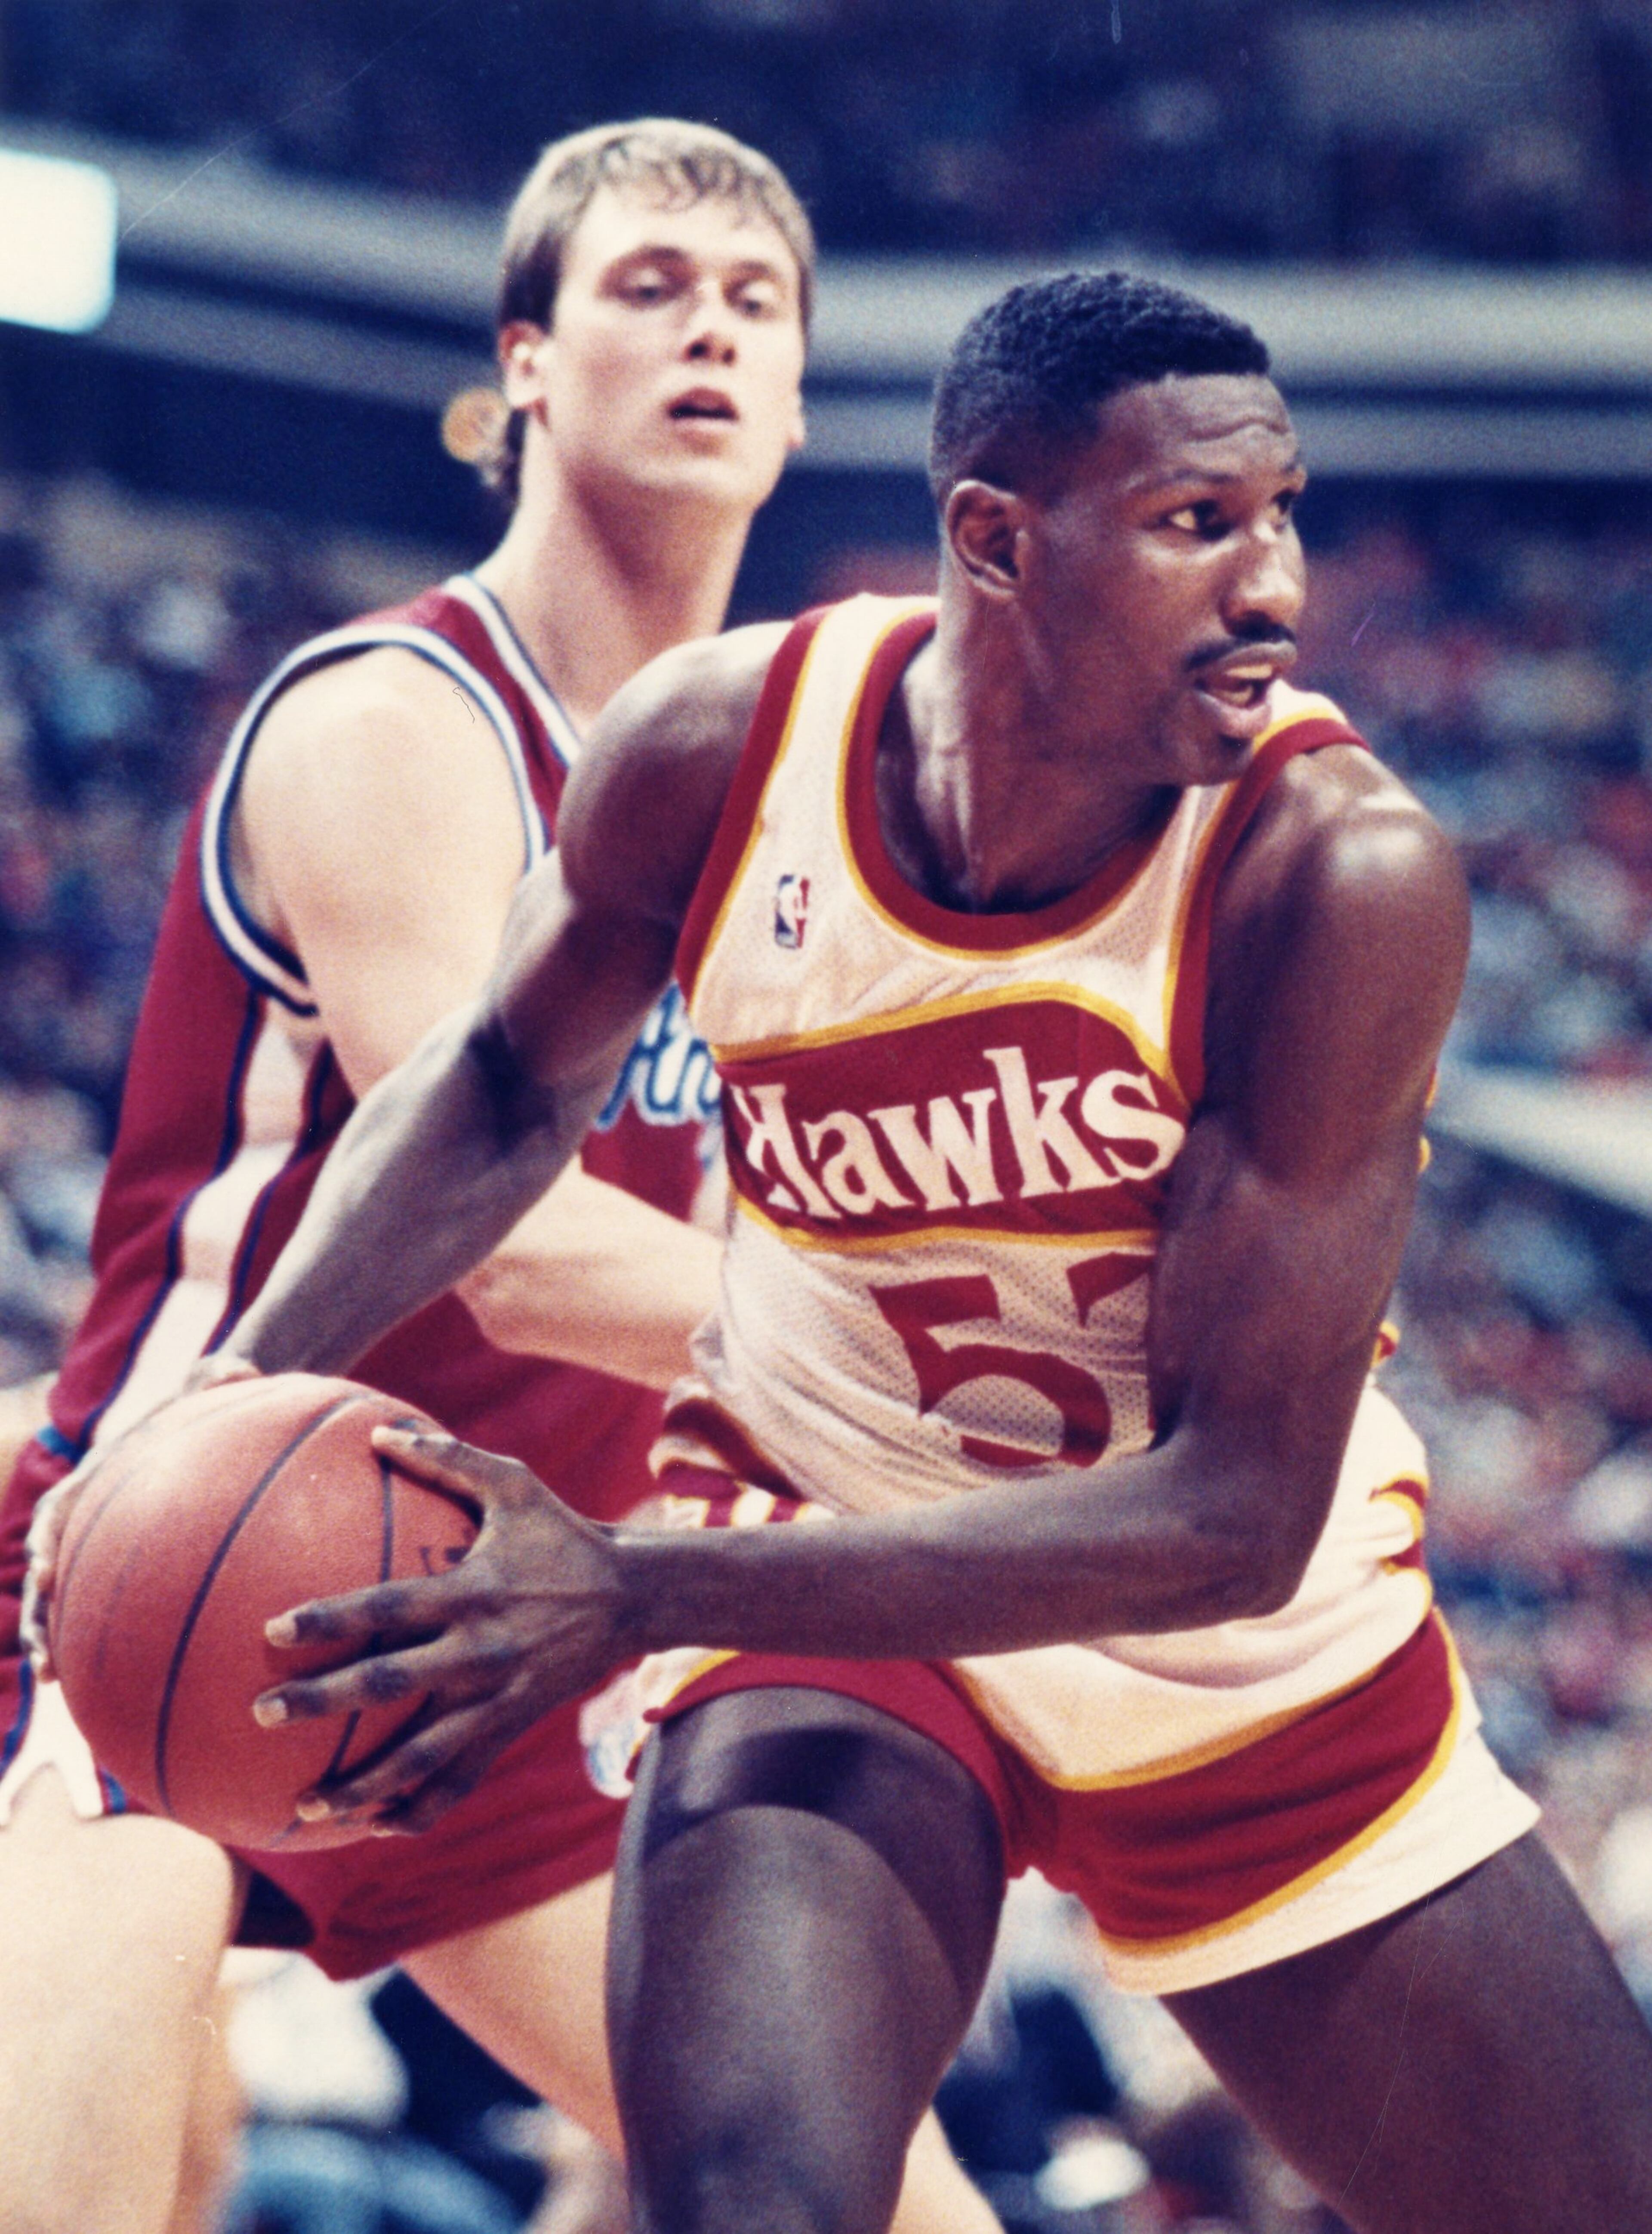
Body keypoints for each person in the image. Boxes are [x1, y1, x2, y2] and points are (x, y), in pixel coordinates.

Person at [46, 269, 1652, 2234]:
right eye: (1195, 523)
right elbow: (487, 1096)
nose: (1274, 587)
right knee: (763, 2201)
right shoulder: (726, 748)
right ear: (996, 537)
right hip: (825, 1570)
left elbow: (1233, 1510)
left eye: (1284, 514)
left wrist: (628, 1581)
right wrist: (231, 1395)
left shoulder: (1340, 871)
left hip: (1233, 1650)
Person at [3, 119, 994, 2234]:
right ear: (526, 364)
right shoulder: (400, 713)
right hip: (177, 1553)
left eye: (754, 306)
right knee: (115, 2176)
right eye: (649, 289)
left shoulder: (814, 811)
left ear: (807, 397)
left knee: (883, 2203)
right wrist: (949, 1365)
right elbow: (524, 1241)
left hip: (480, 1639)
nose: (709, 331)